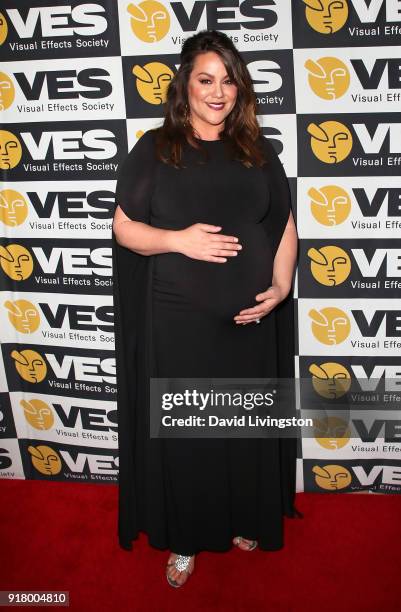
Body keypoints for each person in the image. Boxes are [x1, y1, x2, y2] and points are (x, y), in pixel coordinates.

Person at [112, 29, 301, 588]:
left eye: (228, 81)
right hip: (179, 326)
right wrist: (178, 240)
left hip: (250, 327)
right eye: (205, 79)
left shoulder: (258, 150)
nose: (218, 92)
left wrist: (281, 283)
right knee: (190, 437)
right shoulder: (157, 148)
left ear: (240, 89)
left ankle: (244, 517)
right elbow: (124, 230)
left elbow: (285, 225)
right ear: (185, 85)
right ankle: (187, 539)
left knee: (242, 429)